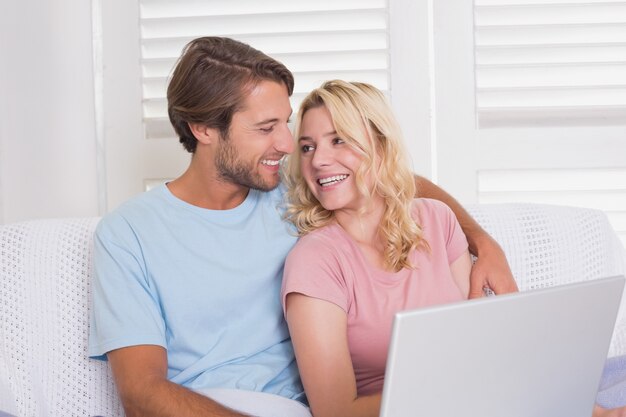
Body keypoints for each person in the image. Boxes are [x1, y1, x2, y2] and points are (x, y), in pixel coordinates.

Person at [88, 37, 517, 417]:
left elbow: (393, 183)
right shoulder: (128, 235)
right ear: (203, 129)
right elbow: (142, 394)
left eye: (286, 123)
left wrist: (483, 241)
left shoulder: (292, 189)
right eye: (265, 128)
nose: (288, 145)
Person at [280, 80, 626, 417]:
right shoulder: (314, 260)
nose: (318, 160)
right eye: (307, 147)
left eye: (338, 140)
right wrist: (458, 391)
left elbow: (479, 344)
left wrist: (586, 408)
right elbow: (335, 411)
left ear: (381, 146)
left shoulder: (436, 219)